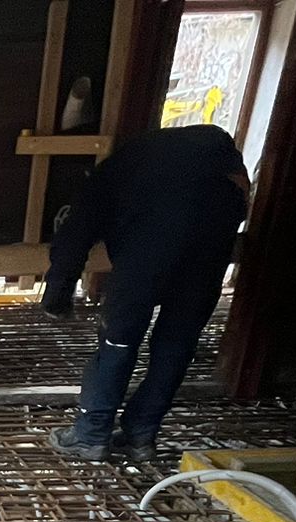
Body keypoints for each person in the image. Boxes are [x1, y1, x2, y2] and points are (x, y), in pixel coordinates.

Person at [43, 124, 249, 462]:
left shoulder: (111, 174)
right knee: (176, 344)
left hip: (144, 259)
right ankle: (141, 435)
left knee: (119, 340)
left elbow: (75, 235)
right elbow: (241, 199)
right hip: (207, 257)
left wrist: (57, 296)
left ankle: (90, 435)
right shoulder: (218, 155)